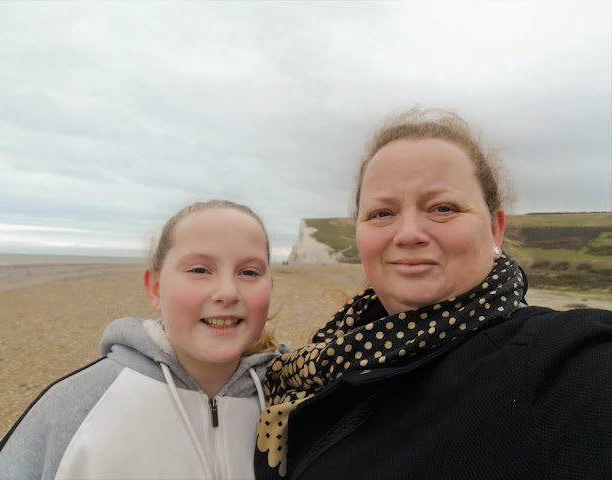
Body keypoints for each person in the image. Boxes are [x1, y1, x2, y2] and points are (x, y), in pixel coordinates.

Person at [254, 109, 612, 479]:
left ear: (494, 230)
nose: (408, 233)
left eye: (443, 208)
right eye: (381, 213)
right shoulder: (340, 351)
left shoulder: (557, 364)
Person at [0, 199, 285, 480]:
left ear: (270, 287)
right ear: (154, 288)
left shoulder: (294, 403)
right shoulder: (75, 407)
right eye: (200, 269)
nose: (227, 292)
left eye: (248, 272)